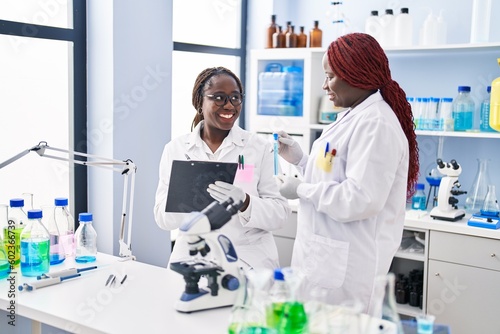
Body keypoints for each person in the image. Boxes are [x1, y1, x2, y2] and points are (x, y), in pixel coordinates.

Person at [275, 33, 419, 315]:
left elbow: (360, 199)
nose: (324, 85)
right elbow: (333, 175)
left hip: (350, 269)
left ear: (357, 75)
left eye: (330, 76)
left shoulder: (376, 124)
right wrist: (300, 160)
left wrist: (301, 189)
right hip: (325, 259)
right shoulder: (353, 116)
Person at [154, 66, 291, 271]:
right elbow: (162, 219)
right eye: (219, 98)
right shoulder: (176, 149)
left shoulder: (260, 148)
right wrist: (185, 199)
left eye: (235, 98)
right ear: (200, 102)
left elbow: (281, 214)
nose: (229, 105)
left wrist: (245, 202)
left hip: (247, 258)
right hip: (193, 255)